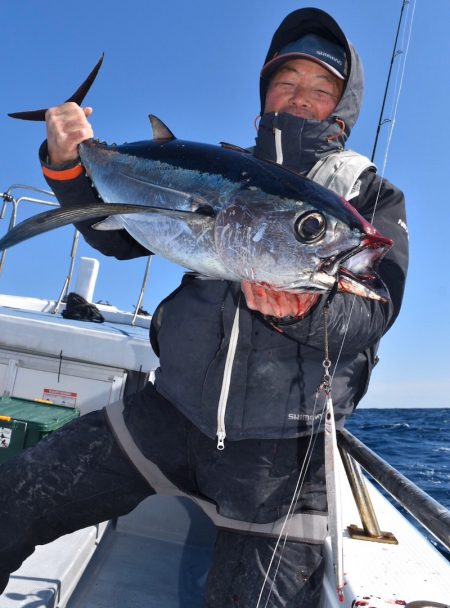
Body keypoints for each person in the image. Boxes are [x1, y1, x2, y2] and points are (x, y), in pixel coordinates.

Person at [0, 7, 408, 607]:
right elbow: (117, 235)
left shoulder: (369, 196)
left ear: (342, 110)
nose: (301, 98)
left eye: (322, 89)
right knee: (15, 493)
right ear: (265, 92)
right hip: (169, 412)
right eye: (288, 82)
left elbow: (376, 307)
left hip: (279, 450)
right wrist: (65, 162)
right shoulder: (212, 165)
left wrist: (304, 314)